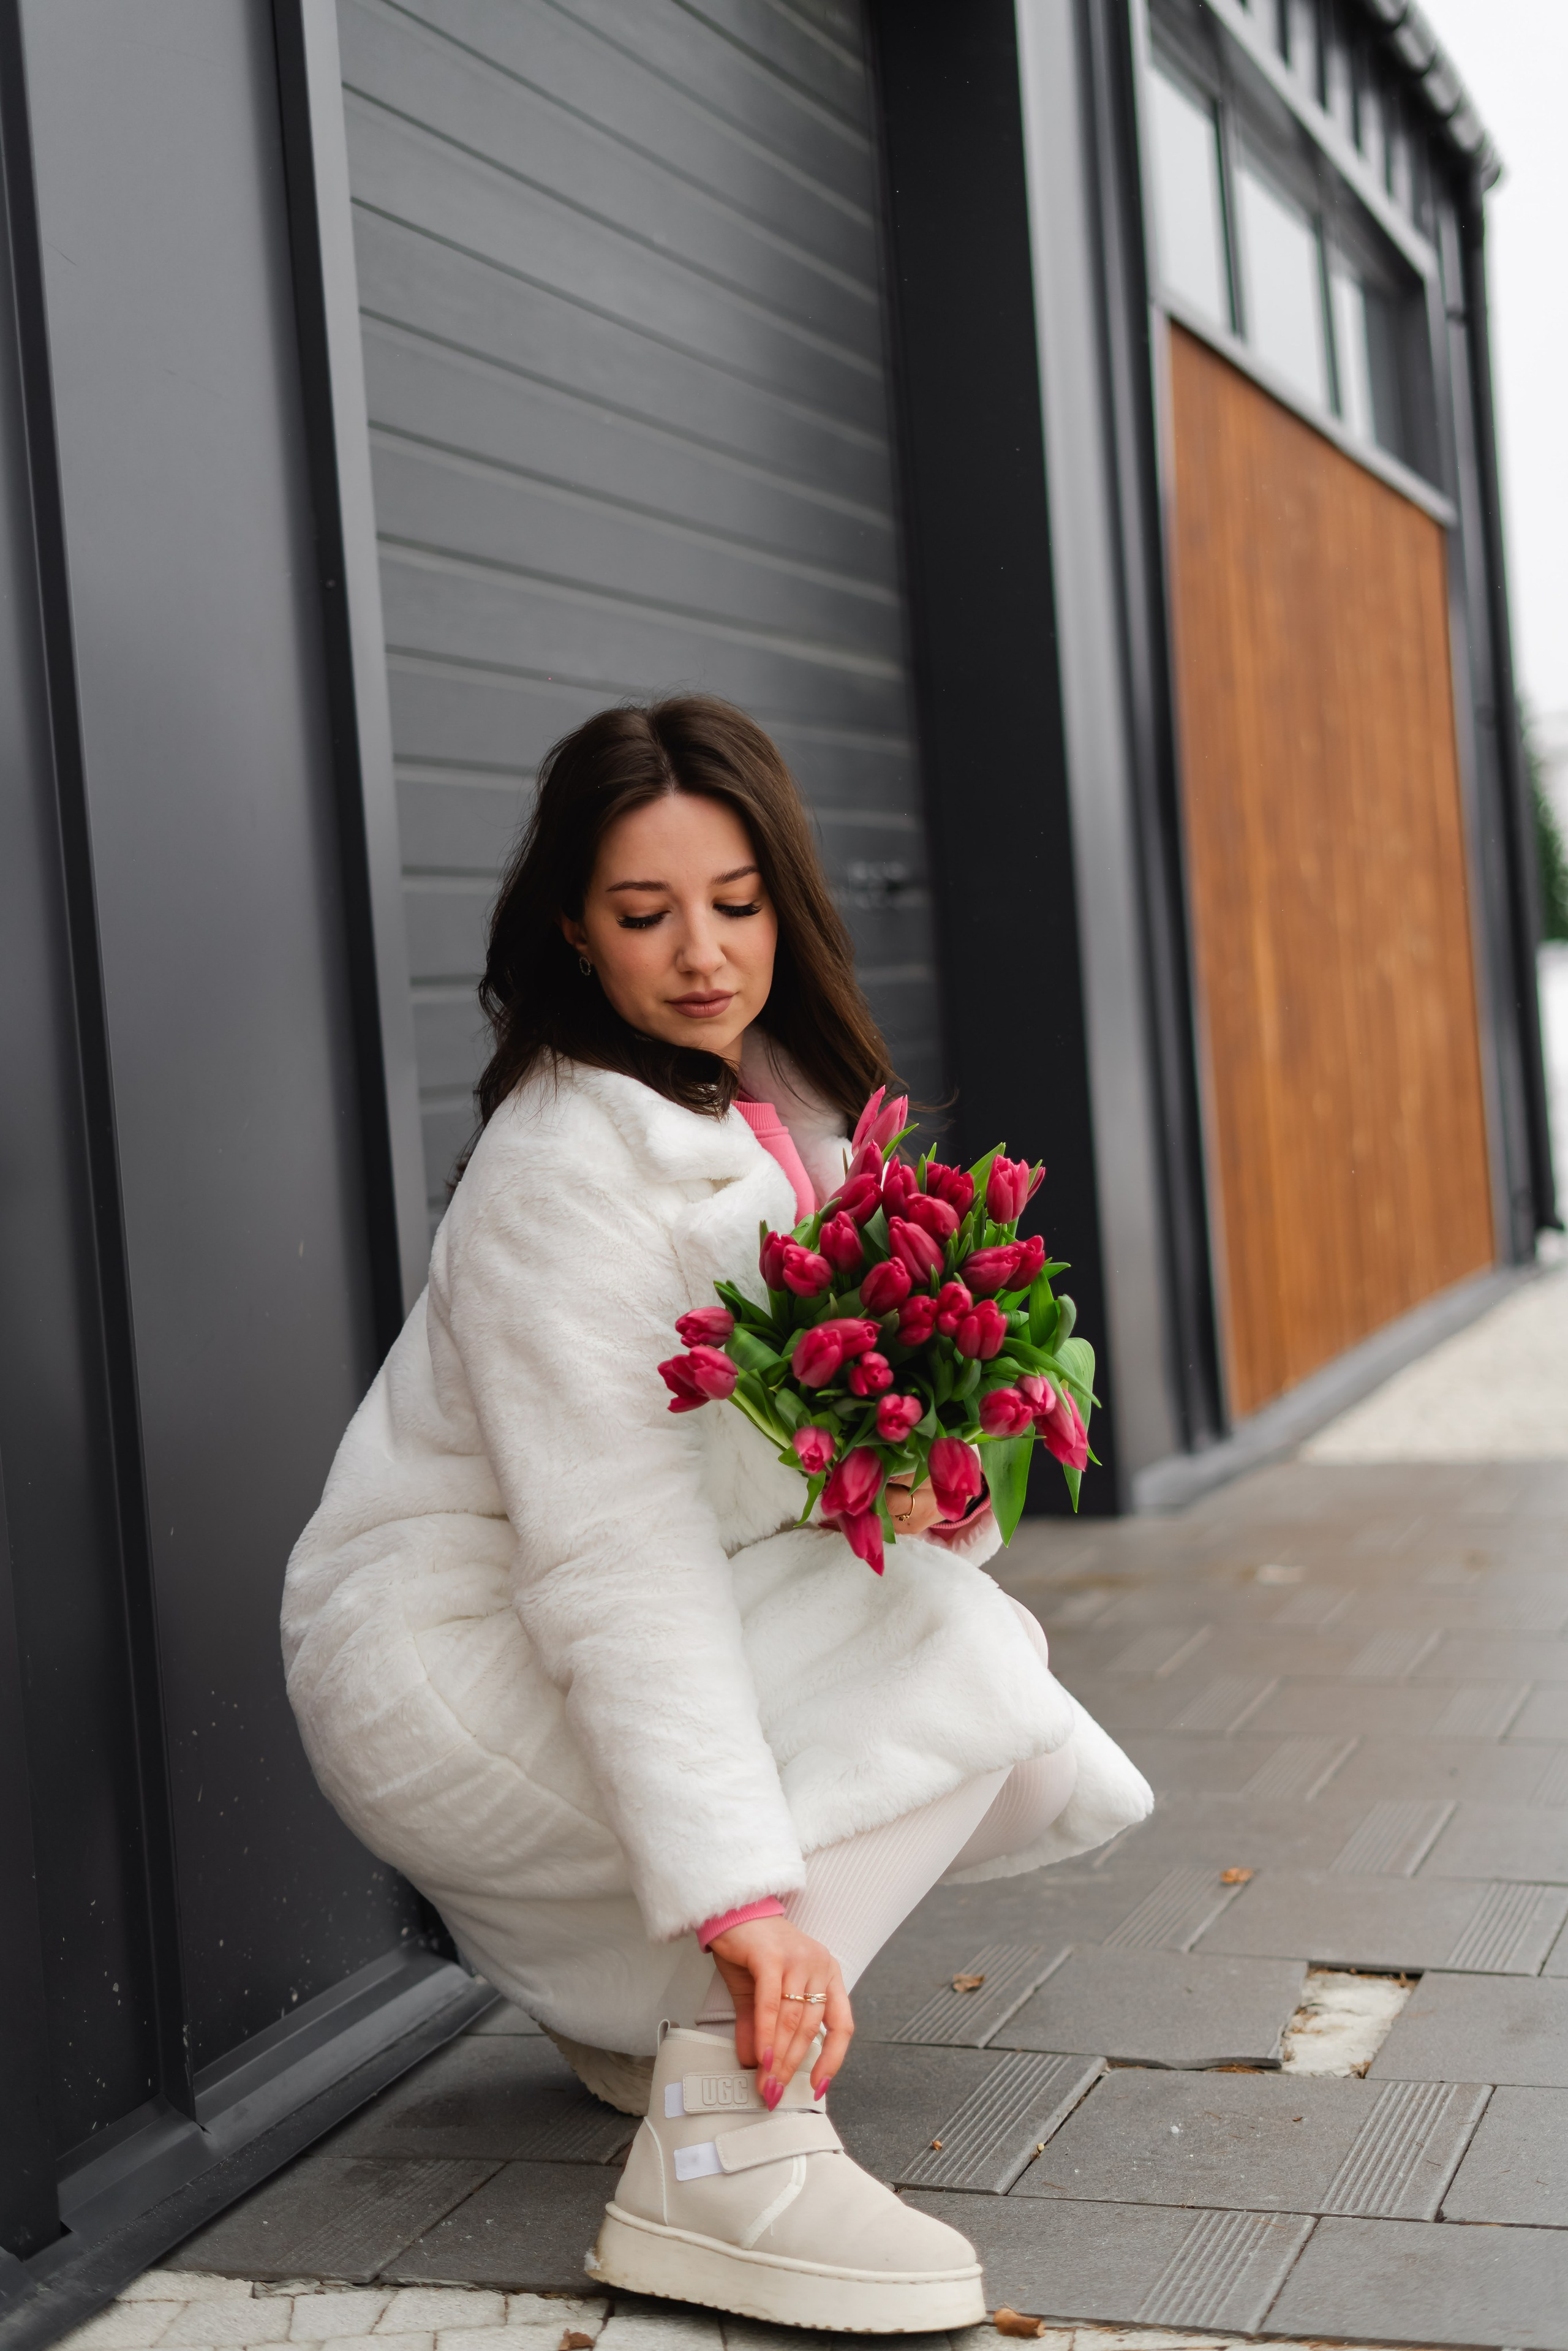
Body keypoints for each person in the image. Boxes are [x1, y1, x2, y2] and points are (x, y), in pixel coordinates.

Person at [281, 696, 1151, 2332]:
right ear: (573, 933)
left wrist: (936, 1474)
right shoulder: (562, 1168)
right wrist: (747, 1904)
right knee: (961, 1657)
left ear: (786, 904)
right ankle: (728, 2150)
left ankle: (642, 2018)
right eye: (643, 912)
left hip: (554, 1632)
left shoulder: (778, 1118)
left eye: (736, 903)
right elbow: (617, 1553)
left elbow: (794, 1493)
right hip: (445, 1660)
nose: (701, 952)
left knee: (999, 1722)